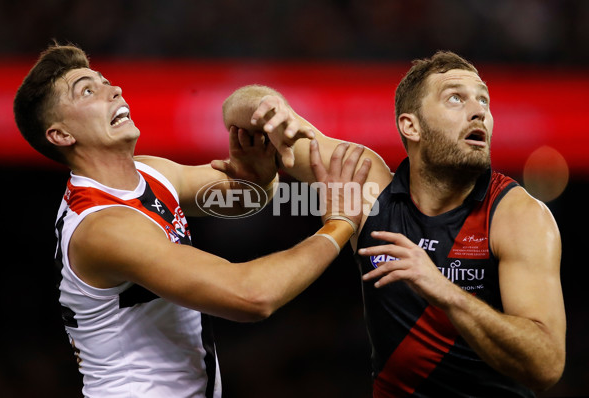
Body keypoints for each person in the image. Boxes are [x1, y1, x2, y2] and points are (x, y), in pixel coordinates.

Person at [12, 43, 372, 398]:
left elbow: (242, 196)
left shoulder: (149, 172)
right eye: (88, 91)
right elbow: (252, 297)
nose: (113, 89)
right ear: (61, 135)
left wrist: (259, 177)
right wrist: (338, 224)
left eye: (105, 80)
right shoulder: (105, 228)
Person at [222, 51, 566, 397]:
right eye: (455, 98)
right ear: (410, 126)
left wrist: (444, 290)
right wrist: (271, 104)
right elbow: (239, 108)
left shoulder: (518, 215)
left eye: (483, 101)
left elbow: (547, 365)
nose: (479, 112)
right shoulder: (369, 185)